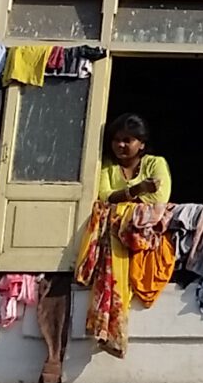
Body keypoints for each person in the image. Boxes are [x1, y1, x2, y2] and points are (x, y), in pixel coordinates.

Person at [75, 114, 176, 359]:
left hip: (142, 237)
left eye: (127, 140)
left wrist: (122, 200)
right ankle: (109, 330)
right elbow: (103, 196)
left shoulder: (155, 164)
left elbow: (157, 201)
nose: (120, 145)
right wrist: (138, 190)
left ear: (141, 144)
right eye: (116, 140)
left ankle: (112, 330)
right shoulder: (107, 166)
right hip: (116, 238)